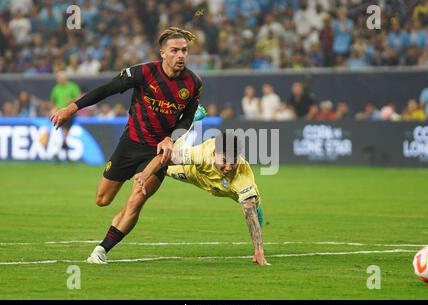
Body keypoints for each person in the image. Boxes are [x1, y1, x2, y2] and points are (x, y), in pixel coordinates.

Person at [50, 27, 202, 264]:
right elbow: (106, 90)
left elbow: (188, 118)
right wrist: (72, 108)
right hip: (130, 143)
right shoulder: (143, 73)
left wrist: (170, 138)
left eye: (184, 50)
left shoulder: (193, 83)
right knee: (103, 199)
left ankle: (101, 250)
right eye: (174, 50)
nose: (180, 55)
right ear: (162, 53)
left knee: (137, 199)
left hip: (157, 152)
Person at [134, 129, 270, 266]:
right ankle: (192, 122)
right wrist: (144, 175)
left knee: (253, 205)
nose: (229, 167)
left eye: (233, 162)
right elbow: (164, 158)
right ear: (215, 153)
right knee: (163, 167)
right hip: (194, 175)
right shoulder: (202, 153)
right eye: (224, 160)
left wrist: (259, 251)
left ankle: (257, 248)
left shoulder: (242, 175)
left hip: (229, 188)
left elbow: (250, 214)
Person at [50, 70, 81, 153]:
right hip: (59, 112)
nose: (58, 80)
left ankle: (63, 144)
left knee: (64, 129)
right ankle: (64, 144)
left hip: (70, 112)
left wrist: (71, 100)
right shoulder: (56, 89)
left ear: (65, 79)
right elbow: (53, 101)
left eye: (60, 78)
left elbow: (79, 98)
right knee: (63, 130)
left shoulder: (72, 87)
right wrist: (53, 109)